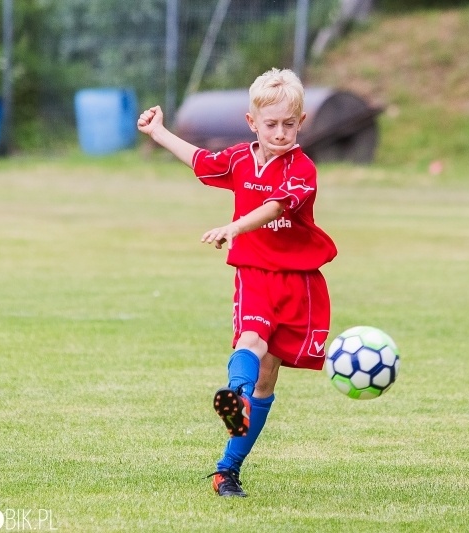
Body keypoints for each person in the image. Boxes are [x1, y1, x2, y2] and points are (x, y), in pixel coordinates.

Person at [137, 68, 337, 498]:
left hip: (298, 282)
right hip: (254, 273)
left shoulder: (302, 168)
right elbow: (199, 161)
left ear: (301, 122)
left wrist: (236, 226)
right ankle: (233, 398)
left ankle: (229, 464)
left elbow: (275, 204)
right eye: (271, 125)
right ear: (252, 122)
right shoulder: (240, 158)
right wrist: (159, 132)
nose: (280, 133)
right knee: (250, 342)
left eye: (289, 124)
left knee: (267, 377)